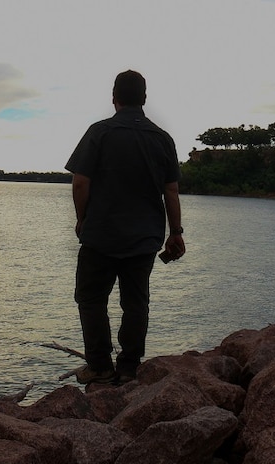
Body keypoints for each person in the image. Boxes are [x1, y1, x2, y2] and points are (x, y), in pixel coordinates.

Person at [65, 69, 185, 385]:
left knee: (91, 300)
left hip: (100, 235)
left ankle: (100, 366)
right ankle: (129, 368)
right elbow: (170, 190)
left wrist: (81, 219)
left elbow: (80, 182)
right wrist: (176, 232)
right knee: (135, 304)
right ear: (144, 99)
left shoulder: (99, 132)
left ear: (114, 97)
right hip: (144, 239)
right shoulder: (162, 138)